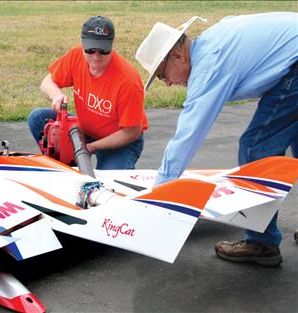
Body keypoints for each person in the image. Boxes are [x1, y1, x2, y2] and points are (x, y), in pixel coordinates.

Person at [136, 13, 297, 266]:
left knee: (255, 147)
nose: (167, 84)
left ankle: (261, 243)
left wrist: (160, 192)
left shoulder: (209, 66)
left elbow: (188, 135)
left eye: (162, 75)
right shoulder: (211, 42)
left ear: (177, 56)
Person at [28, 16, 148, 170]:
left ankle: (81, 161)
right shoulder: (76, 55)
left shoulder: (128, 81)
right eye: (90, 49)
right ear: (82, 41)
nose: (96, 57)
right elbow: (47, 82)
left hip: (120, 140)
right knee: (38, 118)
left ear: (113, 43)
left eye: (103, 50)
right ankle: (65, 165)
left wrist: (90, 147)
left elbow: (132, 132)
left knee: (110, 183)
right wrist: (56, 95)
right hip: (85, 128)